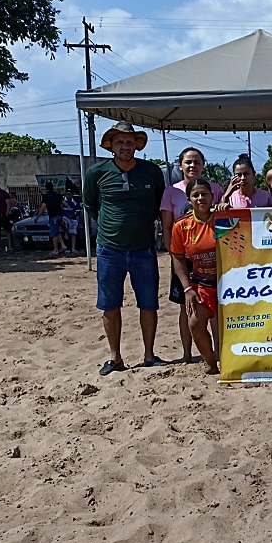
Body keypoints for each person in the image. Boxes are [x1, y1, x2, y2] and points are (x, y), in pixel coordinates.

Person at [82, 121, 166, 375]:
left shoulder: (151, 172)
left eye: (130, 142)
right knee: (110, 304)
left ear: (136, 145)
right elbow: (90, 205)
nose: (125, 146)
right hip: (110, 250)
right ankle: (115, 357)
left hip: (144, 249)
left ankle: (149, 355)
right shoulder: (96, 172)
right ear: (111, 145)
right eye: (120, 142)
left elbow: (157, 206)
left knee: (149, 303)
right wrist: (111, 227)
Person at [160, 147, 225, 364]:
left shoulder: (220, 208)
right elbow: (168, 227)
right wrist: (186, 284)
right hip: (188, 261)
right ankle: (189, 355)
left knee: (219, 316)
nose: (192, 165)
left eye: (197, 161)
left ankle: (220, 355)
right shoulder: (172, 192)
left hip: (220, 273)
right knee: (188, 311)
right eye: (188, 161)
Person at [170, 179, 219, 374]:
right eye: (195, 195)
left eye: (204, 194)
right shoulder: (181, 227)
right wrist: (187, 289)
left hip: (229, 284)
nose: (200, 198)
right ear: (188, 199)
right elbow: (178, 258)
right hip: (202, 283)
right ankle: (210, 362)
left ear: (212, 196)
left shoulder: (224, 218)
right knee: (195, 323)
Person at [35, 181, 65, 255]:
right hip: (60, 216)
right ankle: (63, 245)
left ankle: (55, 250)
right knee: (57, 231)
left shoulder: (46, 197)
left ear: (46, 188)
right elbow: (65, 204)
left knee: (53, 234)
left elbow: (42, 208)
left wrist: (37, 217)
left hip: (53, 216)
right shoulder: (58, 195)